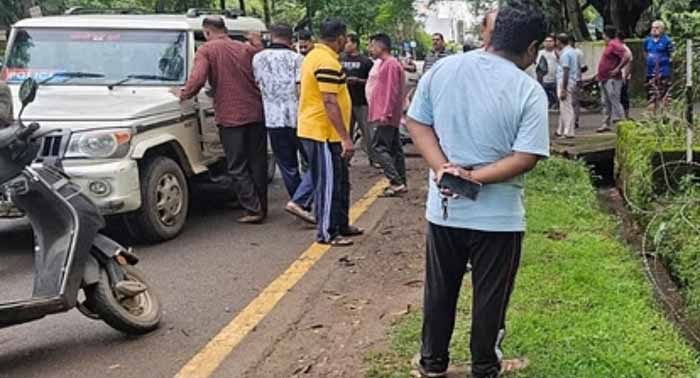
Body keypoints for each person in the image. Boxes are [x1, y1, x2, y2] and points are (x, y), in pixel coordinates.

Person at [406, 0, 549, 376]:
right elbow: (526, 156)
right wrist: (477, 177)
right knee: (491, 296)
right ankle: (485, 366)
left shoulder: (444, 69)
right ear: (532, 48)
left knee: (439, 290)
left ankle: (432, 363)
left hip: (445, 210)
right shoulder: (528, 90)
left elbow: (416, 123)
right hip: (499, 217)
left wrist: (443, 169)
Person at [175, 16, 267, 224]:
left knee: (237, 164)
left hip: (230, 115)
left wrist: (183, 94)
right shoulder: (245, 49)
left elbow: (197, 78)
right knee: (257, 161)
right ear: (225, 29)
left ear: (207, 32)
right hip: (256, 112)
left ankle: (253, 209)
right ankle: (262, 205)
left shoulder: (206, 50)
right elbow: (263, 66)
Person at [297, 18, 363, 246]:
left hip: (323, 131)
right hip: (322, 133)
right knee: (327, 183)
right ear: (340, 38)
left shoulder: (316, 56)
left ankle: (341, 224)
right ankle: (327, 232)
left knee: (340, 181)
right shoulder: (326, 61)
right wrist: (346, 138)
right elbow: (329, 101)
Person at [252, 24, 315, 224]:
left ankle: (299, 202)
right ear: (291, 39)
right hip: (298, 119)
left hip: (273, 119)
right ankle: (301, 202)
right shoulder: (298, 59)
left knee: (287, 166)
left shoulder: (258, 58)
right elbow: (300, 89)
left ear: (272, 36)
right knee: (315, 162)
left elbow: (258, 84)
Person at [367, 33, 407, 196]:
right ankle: (401, 181)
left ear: (380, 46)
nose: (370, 49)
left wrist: (385, 113)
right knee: (395, 149)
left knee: (378, 147)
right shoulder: (387, 64)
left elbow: (391, 91)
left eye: (372, 45)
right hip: (389, 115)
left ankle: (396, 181)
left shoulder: (390, 65)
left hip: (385, 115)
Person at [341, 34, 374, 164]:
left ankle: (374, 158)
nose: (345, 45)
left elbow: (373, 81)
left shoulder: (366, 61)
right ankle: (345, 160)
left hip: (362, 102)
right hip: (345, 102)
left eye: (347, 42)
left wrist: (359, 81)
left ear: (355, 44)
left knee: (368, 132)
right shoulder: (339, 58)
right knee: (345, 132)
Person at [596, 26, 630, 133]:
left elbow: (627, 55)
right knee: (605, 101)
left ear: (605, 35)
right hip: (604, 77)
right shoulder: (609, 45)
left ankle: (623, 123)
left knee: (614, 100)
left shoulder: (615, 44)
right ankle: (605, 123)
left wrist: (618, 68)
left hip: (612, 78)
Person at [643, 20, 674, 114]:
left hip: (663, 72)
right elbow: (645, 52)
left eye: (657, 28)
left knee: (665, 95)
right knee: (651, 95)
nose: (654, 30)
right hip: (650, 72)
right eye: (653, 27)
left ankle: (666, 115)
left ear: (662, 29)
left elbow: (672, 54)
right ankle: (652, 116)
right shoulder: (647, 40)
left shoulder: (667, 41)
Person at [554, 33, 579, 139]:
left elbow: (566, 71)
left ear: (559, 42)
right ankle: (564, 130)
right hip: (572, 80)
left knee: (566, 107)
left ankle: (568, 131)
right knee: (565, 106)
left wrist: (563, 88)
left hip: (565, 81)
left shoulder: (565, 54)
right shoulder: (571, 52)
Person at [536, 35, 558, 110]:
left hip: (555, 79)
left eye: (550, 41)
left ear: (554, 43)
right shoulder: (539, 53)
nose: (548, 43)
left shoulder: (557, 53)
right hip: (543, 79)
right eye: (546, 41)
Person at [571, 37, 587, 128]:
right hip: (576, 79)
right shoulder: (578, 52)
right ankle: (574, 120)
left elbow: (582, 67)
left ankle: (574, 120)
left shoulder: (577, 53)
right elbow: (583, 67)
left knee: (573, 102)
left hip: (575, 80)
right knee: (574, 102)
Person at [620, 32, 634, 119]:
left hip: (623, 76)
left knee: (623, 96)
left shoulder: (625, 49)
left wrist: (625, 76)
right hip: (620, 76)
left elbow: (629, 63)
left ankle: (626, 115)